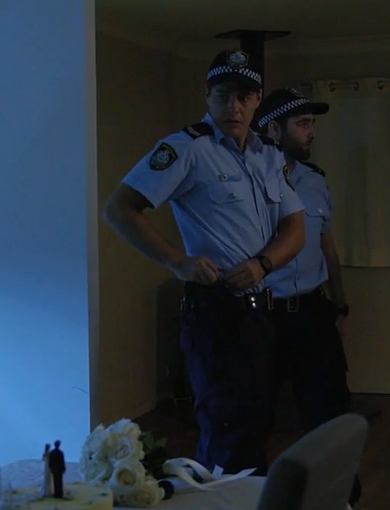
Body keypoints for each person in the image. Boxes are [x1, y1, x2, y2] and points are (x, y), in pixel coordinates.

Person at [102, 49, 305, 476]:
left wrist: (263, 264)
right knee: (228, 428)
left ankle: (244, 501)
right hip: (217, 310)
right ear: (207, 97)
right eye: (223, 95)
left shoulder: (267, 155)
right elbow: (120, 209)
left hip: (262, 310)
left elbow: (295, 229)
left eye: (244, 97)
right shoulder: (187, 148)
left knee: (257, 423)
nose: (234, 107)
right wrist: (177, 261)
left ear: (257, 100)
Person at [255, 87, 360, 506]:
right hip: (263, 314)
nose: (311, 132)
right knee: (253, 418)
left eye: (312, 123)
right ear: (273, 129)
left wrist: (340, 304)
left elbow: (327, 247)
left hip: (313, 312)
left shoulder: (315, 181)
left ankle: (340, 500)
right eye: (302, 124)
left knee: (330, 414)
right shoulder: (250, 180)